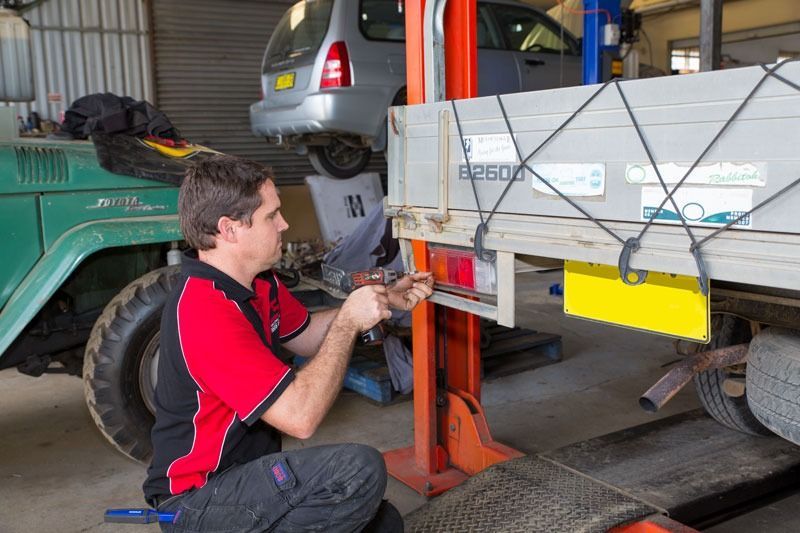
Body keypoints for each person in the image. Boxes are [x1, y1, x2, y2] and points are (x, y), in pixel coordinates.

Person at [142, 155, 434, 532]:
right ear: (229, 229)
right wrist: (349, 320)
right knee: (357, 470)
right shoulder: (205, 310)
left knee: (384, 523)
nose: (284, 224)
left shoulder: (259, 281)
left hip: (242, 475)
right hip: (197, 502)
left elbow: (308, 336)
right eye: (271, 216)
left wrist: (378, 302)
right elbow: (300, 418)